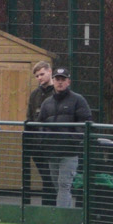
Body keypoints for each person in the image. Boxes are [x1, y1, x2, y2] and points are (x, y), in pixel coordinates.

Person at [38, 65, 93, 210]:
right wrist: (44, 142)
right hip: (52, 152)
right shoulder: (47, 103)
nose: (60, 82)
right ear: (53, 81)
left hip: (69, 152)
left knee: (64, 185)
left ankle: (62, 217)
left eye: (63, 79)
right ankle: (67, 214)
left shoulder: (78, 100)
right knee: (58, 186)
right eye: (57, 79)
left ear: (68, 82)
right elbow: (40, 124)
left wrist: (73, 139)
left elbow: (86, 121)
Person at [24, 62, 56, 201]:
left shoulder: (57, 92)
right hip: (38, 144)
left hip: (53, 142)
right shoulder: (34, 94)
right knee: (46, 177)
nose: (39, 78)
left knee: (52, 179)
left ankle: (52, 209)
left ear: (50, 72)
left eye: (42, 74)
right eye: (37, 76)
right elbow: (30, 117)